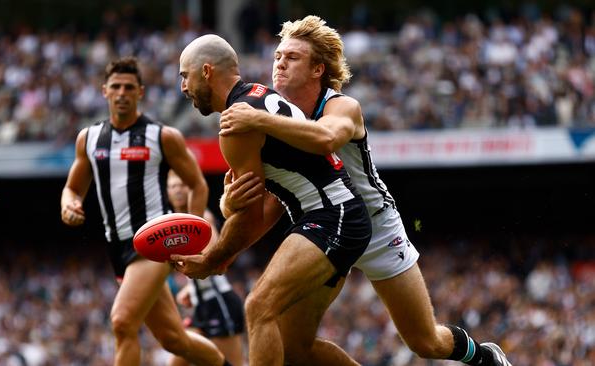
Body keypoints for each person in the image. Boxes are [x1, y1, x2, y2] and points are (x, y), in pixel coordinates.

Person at [218, 16, 512, 366]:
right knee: (294, 347)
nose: (280, 62)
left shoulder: (341, 106)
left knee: (425, 341)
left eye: (292, 57)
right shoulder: (272, 113)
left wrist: (260, 121)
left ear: (318, 70)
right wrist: (228, 203)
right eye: (278, 56)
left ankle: (482, 357)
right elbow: (275, 200)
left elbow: (326, 139)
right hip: (322, 229)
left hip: (376, 228)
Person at [173, 34, 372, 366]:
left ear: (206, 71)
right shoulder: (260, 94)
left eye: (184, 75)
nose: (182, 87)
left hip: (330, 217)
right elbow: (268, 206)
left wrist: (212, 259)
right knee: (296, 349)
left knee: (257, 306)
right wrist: (225, 247)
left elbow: (251, 216)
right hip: (338, 215)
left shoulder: (236, 123)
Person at [60, 56, 228, 366]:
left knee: (122, 322)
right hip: (117, 248)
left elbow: (197, 185)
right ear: (104, 92)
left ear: (140, 92)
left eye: (128, 87)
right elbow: (73, 188)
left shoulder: (163, 136)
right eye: (115, 87)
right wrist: (68, 205)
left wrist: (190, 239)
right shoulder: (89, 138)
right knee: (174, 339)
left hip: (154, 244)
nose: (121, 92)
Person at [165, 170, 245, 366]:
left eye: (182, 185)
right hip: (200, 307)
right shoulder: (169, 221)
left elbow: (216, 260)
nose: (177, 190)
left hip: (219, 303)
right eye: (172, 186)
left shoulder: (202, 218)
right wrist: (191, 289)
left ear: (191, 189)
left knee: (232, 363)